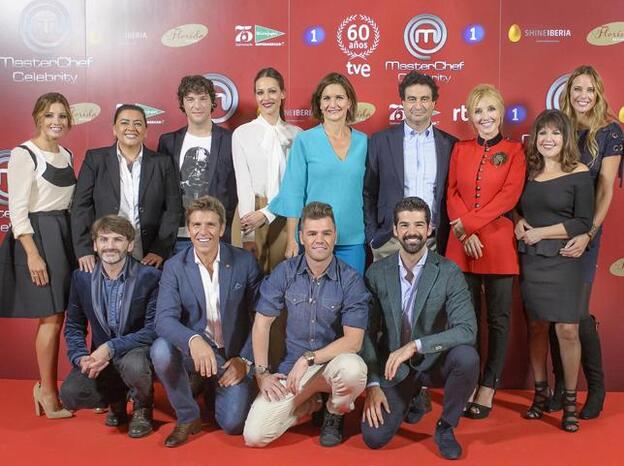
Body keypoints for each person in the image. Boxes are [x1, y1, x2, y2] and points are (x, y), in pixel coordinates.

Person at [360, 197, 478, 460]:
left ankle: (446, 426)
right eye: (404, 225)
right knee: (373, 438)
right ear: (394, 230)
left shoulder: (449, 272)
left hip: (434, 361)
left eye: (418, 225)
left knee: (467, 357)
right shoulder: (377, 273)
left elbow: (467, 330)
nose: (411, 232)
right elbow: (366, 332)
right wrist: (373, 383)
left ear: (429, 229)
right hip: (394, 367)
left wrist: (415, 346)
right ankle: (413, 397)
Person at [244, 202, 370, 448]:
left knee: (353, 369)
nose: (319, 240)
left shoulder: (351, 280)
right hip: (292, 371)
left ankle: (334, 411)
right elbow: (262, 324)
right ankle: (310, 405)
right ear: (301, 237)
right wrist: (262, 373)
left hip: (330, 367)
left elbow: (354, 342)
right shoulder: (284, 272)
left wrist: (309, 358)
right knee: (254, 436)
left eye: (326, 233)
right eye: (312, 233)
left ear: (335, 236)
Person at [150, 196, 261, 447]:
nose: (203, 232)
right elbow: (163, 319)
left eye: (211, 225)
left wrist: (245, 360)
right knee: (160, 349)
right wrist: (193, 339)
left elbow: (261, 317)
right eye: (196, 225)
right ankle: (188, 415)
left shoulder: (244, 261)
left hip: (231, 354)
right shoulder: (174, 267)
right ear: (188, 230)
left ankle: (210, 386)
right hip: (196, 352)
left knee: (233, 424)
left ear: (222, 229)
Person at [445, 84, 526, 419]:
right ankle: (468, 382)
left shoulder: (515, 151)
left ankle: (489, 384)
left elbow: (508, 198)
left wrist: (468, 227)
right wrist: (463, 233)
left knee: (498, 320)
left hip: (496, 244)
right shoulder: (461, 149)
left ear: (501, 112)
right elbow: (451, 193)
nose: (485, 117)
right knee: (466, 321)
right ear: (470, 115)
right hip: (462, 245)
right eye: (478, 111)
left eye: (491, 109)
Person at [548, 65, 623, 419]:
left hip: (586, 232)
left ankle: (595, 389)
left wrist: (589, 233)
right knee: (553, 311)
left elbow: (606, 187)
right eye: (577, 88)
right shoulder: (557, 128)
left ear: (597, 94)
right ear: (568, 92)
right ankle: (561, 391)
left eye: (589, 90)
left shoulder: (610, 132)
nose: (582, 95)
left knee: (575, 314)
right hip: (552, 230)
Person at [516, 110, 593, 433]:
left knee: (568, 330)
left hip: (564, 259)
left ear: (565, 139)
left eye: (556, 133)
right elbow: (513, 204)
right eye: (543, 133)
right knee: (536, 328)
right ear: (536, 138)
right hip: (532, 260)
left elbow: (583, 222)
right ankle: (540, 394)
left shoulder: (580, 172)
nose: (548, 139)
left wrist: (541, 233)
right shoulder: (528, 171)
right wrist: (517, 221)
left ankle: (570, 403)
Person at [0, 92, 76, 419]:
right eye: (49, 115)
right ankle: (46, 390)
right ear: (37, 118)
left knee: (60, 317)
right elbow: (17, 211)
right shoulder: (23, 154)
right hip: (38, 238)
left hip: (65, 235)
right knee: (50, 317)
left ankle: (47, 388)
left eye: (61, 116)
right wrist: (32, 254)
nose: (56, 121)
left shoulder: (67, 154)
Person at [60, 215, 161, 438]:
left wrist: (110, 348)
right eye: (104, 240)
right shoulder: (81, 278)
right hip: (100, 353)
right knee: (70, 393)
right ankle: (117, 401)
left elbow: (153, 329)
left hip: (135, 350)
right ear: (95, 245)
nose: (110, 246)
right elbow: (74, 326)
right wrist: (81, 358)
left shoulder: (150, 277)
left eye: (118, 239)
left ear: (130, 244)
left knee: (134, 365)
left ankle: (142, 408)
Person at [268, 72, 367, 274]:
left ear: (349, 103)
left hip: (352, 239)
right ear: (319, 105)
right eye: (327, 98)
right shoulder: (305, 141)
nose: (333, 104)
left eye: (339, 97)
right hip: (315, 239)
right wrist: (292, 239)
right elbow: (294, 193)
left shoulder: (364, 142)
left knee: (353, 301)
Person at [71, 104, 181, 272]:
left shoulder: (162, 163)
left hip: (149, 256)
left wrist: (160, 249)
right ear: (114, 129)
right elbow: (81, 207)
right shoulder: (96, 160)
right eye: (124, 123)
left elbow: (172, 209)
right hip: (105, 254)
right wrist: (84, 249)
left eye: (137, 123)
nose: (131, 128)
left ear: (146, 130)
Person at [364, 71, 457, 260]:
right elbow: (369, 193)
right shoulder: (381, 142)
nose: (418, 105)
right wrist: (373, 236)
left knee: (432, 291)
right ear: (403, 103)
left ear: (434, 104)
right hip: (389, 240)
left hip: (434, 242)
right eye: (412, 99)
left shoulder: (451, 144)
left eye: (424, 99)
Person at [232, 67, 302, 272]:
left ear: (283, 93)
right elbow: (243, 184)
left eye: (272, 91)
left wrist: (269, 213)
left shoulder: (297, 135)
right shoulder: (241, 134)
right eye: (260, 92)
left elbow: (295, 184)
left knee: (283, 279)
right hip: (251, 211)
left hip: (286, 214)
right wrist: (248, 233)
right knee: (248, 279)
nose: (266, 98)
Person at [157, 75, 237, 248]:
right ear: (183, 104)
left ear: (212, 102)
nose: (197, 105)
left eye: (203, 98)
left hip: (218, 235)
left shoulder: (231, 140)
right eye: (190, 99)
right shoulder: (168, 142)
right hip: (178, 236)